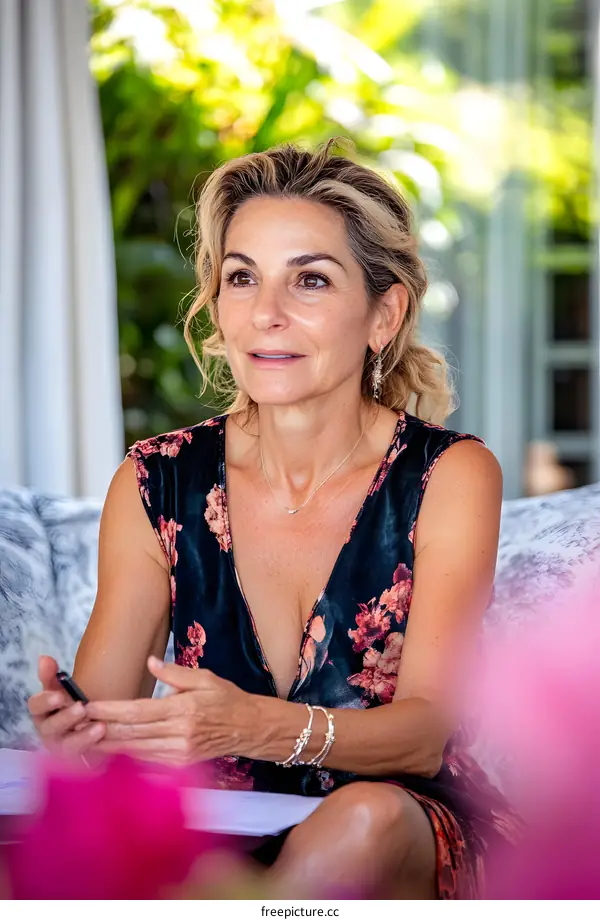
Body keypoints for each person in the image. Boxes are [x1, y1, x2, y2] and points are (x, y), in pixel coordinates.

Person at [28, 138, 517, 899]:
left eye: (310, 281)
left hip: (400, 826)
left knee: (361, 823)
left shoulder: (448, 476)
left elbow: (425, 736)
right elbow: (104, 730)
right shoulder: (155, 482)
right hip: (214, 825)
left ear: (382, 314)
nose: (267, 313)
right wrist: (80, 735)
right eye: (242, 278)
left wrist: (254, 727)